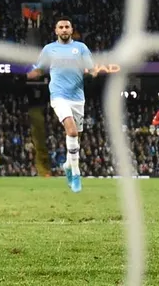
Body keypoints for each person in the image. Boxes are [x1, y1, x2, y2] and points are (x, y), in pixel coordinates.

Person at [27, 17, 96, 193]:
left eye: (67, 27)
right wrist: (25, 75)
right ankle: (76, 175)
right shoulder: (49, 49)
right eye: (61, 27)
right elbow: (40, 69)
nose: (64, 29)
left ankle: (67, 165)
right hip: (59, 96)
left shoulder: (81, 48)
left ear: (71, 30)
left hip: (78, 98)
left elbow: (91, 67)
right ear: (56, 31)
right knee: (71, 131)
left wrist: (92, 73)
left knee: (76, 139)